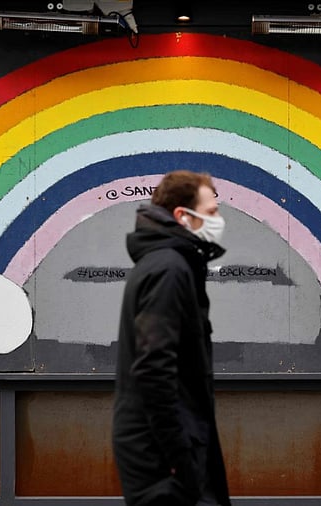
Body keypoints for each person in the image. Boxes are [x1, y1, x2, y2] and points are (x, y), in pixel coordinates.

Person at [112, 170, 231, 506]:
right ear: (182, 215)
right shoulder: (169, 269)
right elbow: (153, 369)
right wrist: (181, 459)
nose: (218, 220)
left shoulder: (168, 264)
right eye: (210, 212)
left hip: (163, 453)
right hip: (163, 462)